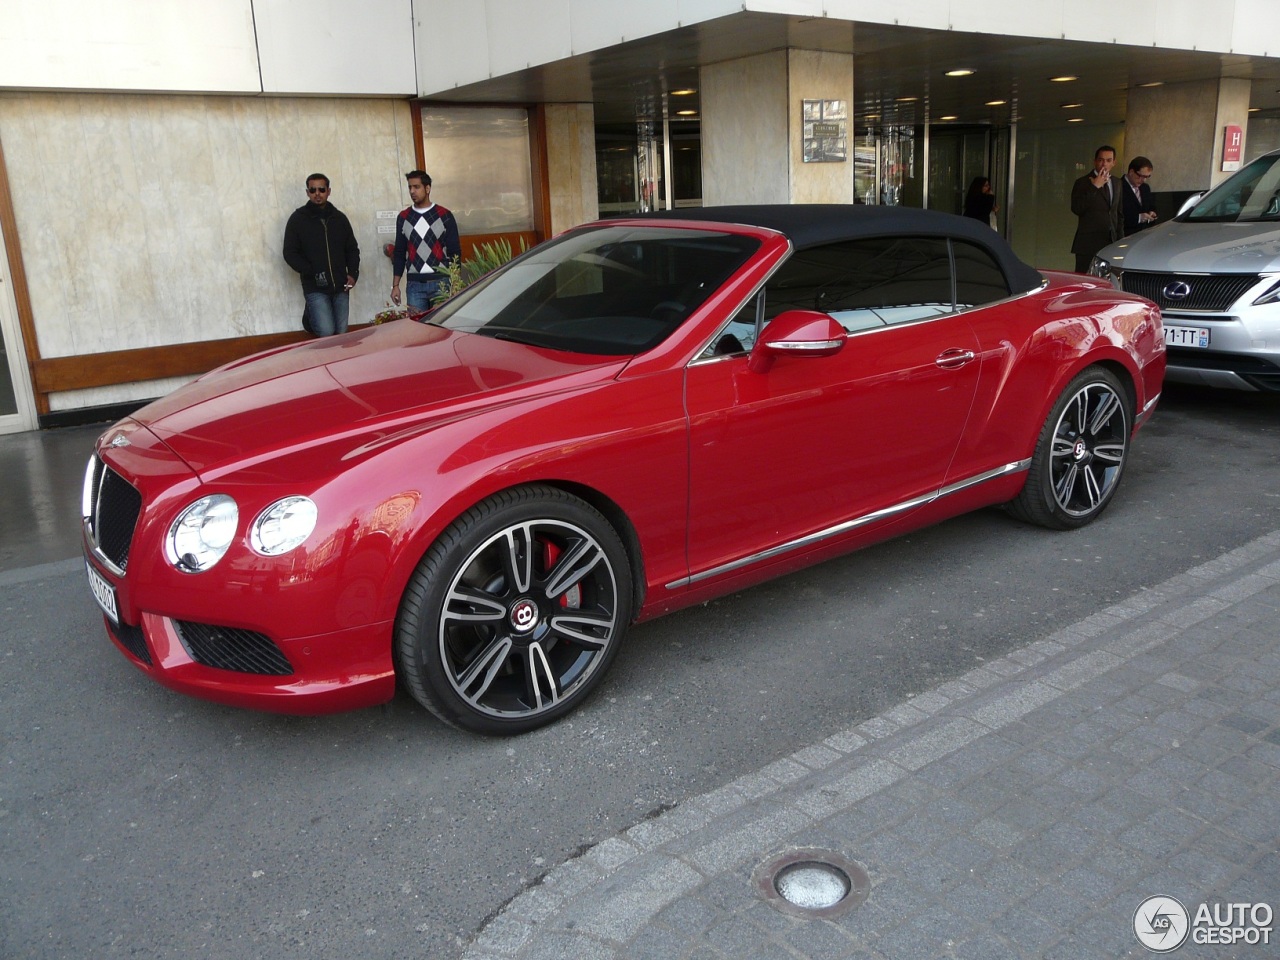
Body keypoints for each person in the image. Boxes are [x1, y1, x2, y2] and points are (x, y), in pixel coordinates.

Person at [282, 173, 360, 336]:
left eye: (321, 189)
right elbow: (290, 252)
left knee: (341, 332)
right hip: (314, 285)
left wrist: (353, 274)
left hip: (341, 285)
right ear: (307, 192)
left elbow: (352, 249)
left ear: (329, 191)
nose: (317, 193)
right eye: (313, 190)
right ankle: (311, 316)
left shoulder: (339, 219)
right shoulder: (298, 219)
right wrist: (310, 270)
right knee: (326, 331)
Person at [390, 170, 461, 310]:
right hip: (414, 285)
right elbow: (399, 253)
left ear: (427, 188)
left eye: (416, 187)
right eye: (410, 187)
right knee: (416, 329)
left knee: (441, 329)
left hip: (442, 282)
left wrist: (455, 284)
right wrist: (395, 285)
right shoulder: (403, 217)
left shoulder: (444, 215)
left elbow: (455, 252)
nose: (412, 191)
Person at [1070, 145, 1124, 272]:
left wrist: (1120, 242)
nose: (1104, 164)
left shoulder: (1117, 183)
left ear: (1114, 163)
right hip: (1088, 243)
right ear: (1095, 161)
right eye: (1101, 160)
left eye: (1108, 160)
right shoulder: (1082, 182)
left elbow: (1119, 213)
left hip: (1111, 242)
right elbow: (1077, 208)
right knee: (1085, 281)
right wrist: (1094, 187)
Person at [1122, 156, 1158, 234]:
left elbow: (1151, 207)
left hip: (1144, 235)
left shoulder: (1145, 188)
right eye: (1141, 176)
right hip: (1125, 236)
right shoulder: (1118, 186)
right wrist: (1138, 218)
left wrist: (1152, 213)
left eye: (1147, 177)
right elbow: (1116, 217)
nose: (1144, 180)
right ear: (1131, 172)